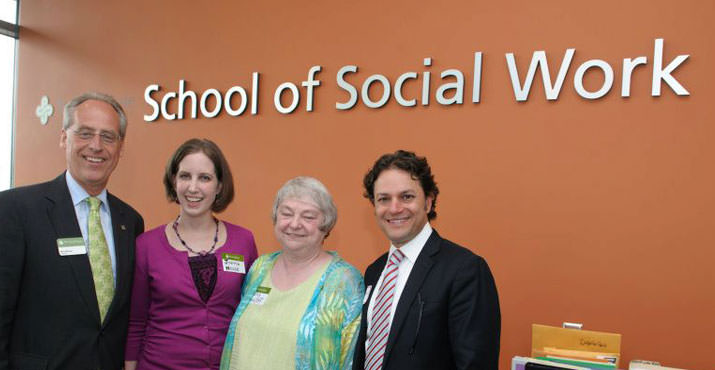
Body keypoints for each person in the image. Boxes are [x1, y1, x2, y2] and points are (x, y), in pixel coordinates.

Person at [0, 92, 144, 370]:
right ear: (64, 138)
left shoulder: (131, 221)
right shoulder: (15, 210)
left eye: (108, 137)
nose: (96, 146)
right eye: (85, 133)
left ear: (120, 147)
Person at [353, 150, 501, 370]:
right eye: (384, 199)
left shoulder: (465, 270)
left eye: (407, 197)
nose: (394, 208)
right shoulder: (374, 271)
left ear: (428, 202)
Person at [125, 138, 258, 370]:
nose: (193, 187)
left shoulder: (243, 242)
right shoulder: (147, 245)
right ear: (173, 180)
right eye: (185, 176)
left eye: (204, 178)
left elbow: (252, 314)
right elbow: (136, 322)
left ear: (219, 186)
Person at [220, 176, 364, 370]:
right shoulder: (260, 267)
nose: (295, 224)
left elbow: (350, 359)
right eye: (286, 213)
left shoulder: (344, 281)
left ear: (326, 224)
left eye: (308, 217)